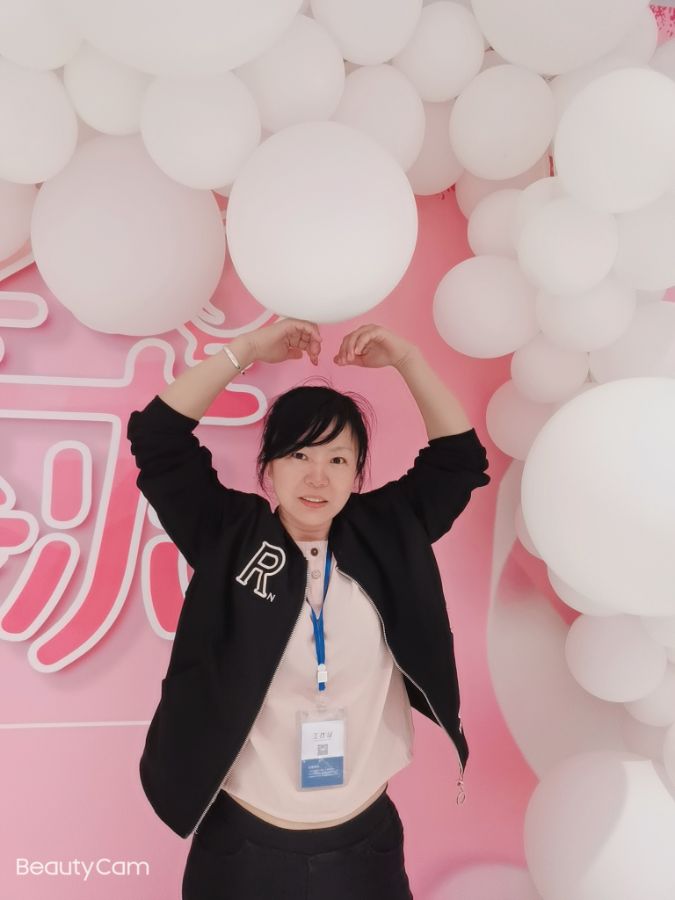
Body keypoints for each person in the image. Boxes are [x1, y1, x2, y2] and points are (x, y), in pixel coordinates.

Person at [126, 318, 491, 899]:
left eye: (338, 460)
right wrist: (246, 349)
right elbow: (158, 438)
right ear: (268, 465)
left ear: (357, 472)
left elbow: (460, 460)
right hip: (242, 846)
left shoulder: (388, 531)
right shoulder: (230, 536)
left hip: (365, 845)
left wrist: (408, 360)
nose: (317, 477)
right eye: (299, 454)